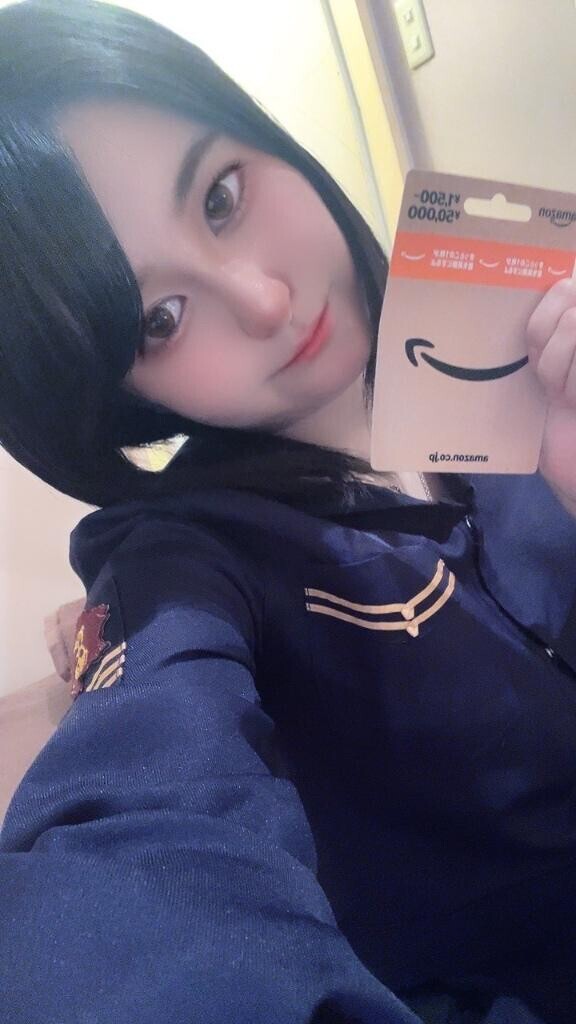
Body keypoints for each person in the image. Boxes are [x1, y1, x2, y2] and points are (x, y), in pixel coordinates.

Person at [0, 1, 575, 1022]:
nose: (263, 301)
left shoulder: (516, 339)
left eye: (221, 197)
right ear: (120, 391)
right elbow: (137, 845)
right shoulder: (186, 563)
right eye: (160, 320)